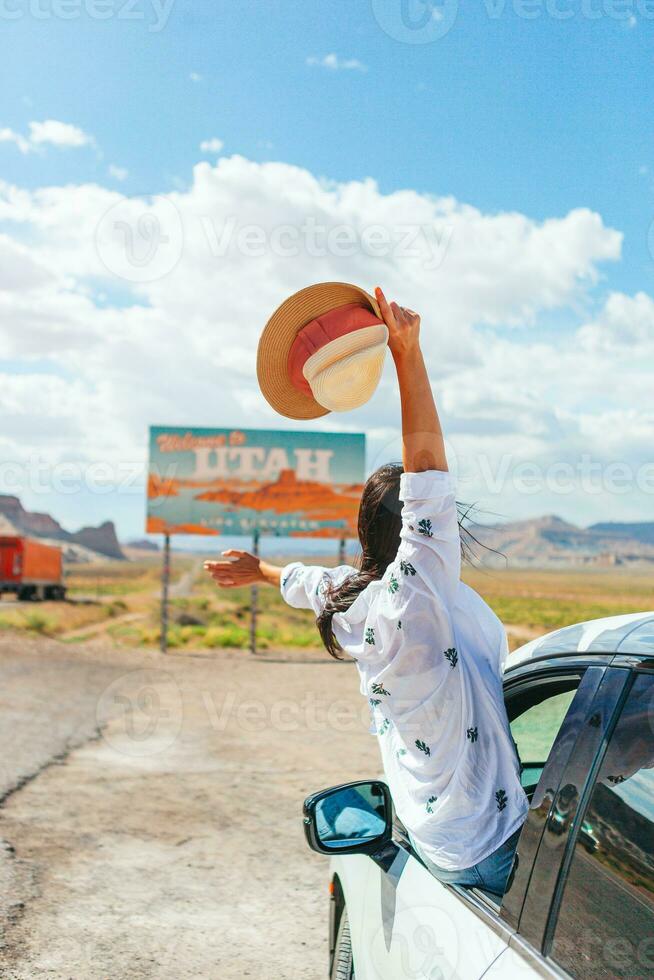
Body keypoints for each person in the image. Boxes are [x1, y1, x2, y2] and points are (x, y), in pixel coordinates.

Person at [205, 287, 528, 898]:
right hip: (487, 841)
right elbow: (428, 469)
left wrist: (258, 571)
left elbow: (304, 583)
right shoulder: (417, 590)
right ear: (418, 534)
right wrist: (407, 354)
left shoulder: (355, 601)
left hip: (430, 832)